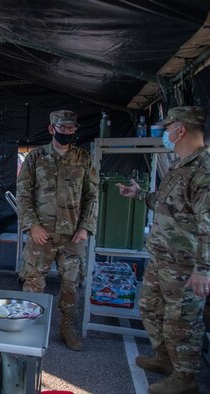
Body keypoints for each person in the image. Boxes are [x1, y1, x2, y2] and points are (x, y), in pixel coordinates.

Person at [116, 106, 210, 394]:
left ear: (180, 130)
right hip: (162, 259)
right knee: (150, 307)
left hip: (185, 265)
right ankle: (165, 360)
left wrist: (203, 269)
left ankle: (185, 378)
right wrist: (140, 194)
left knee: (181, 320)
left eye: (168, 127)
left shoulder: (203, 169)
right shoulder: (179, 164)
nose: (165, 133)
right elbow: (169, 203)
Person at [16, 110, 99, 351]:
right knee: (33, 282)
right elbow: (23, 194)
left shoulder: (83, 158)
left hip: (73, 235)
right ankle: (31, 327)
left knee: (71, 285)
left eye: (72, 128)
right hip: (41, 235)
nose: (67, 132)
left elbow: (91, 196)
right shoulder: (35, 157)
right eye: (63, 128)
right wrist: (32, 225)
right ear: (52, 129)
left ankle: (66, 327)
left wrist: (85, 227)